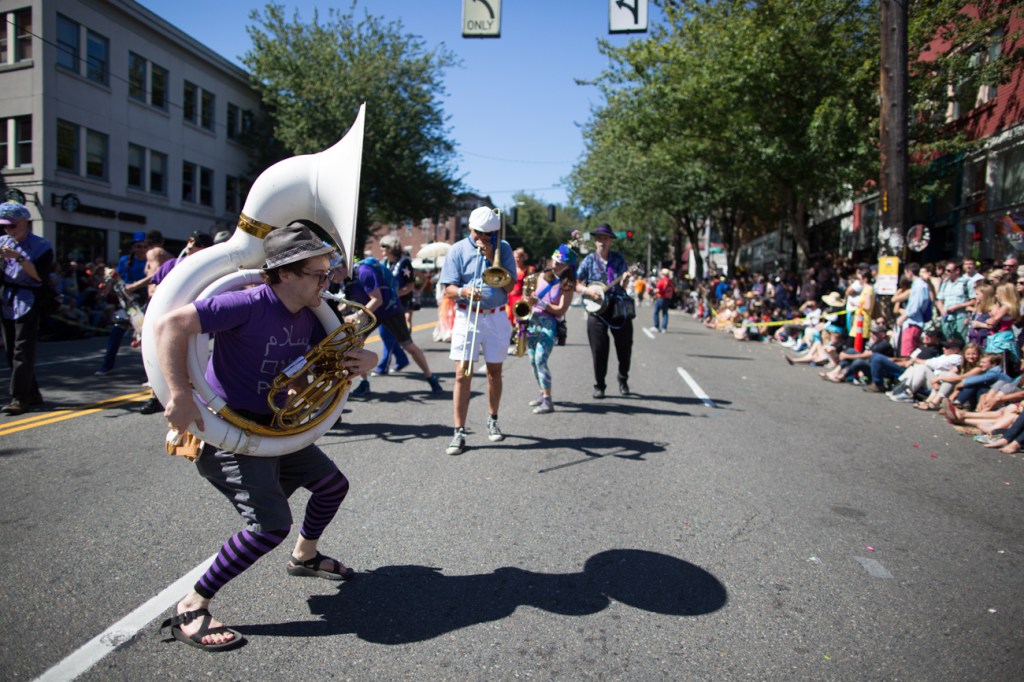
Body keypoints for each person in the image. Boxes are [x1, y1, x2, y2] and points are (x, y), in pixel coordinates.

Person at [154, 223, 377, 651]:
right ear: (286, 273)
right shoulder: (247, 303)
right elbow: (171, 325)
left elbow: (327, 361)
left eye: (328, 273)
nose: (327, 282)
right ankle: (192, 604)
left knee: (332, 486)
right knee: (269, 527)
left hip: (273, 426)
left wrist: (366, 358)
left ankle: (305, 556)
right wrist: (179, 393)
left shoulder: (313, 314)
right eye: (319, 274)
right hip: (228, 431)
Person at [439, 206, 516, 455]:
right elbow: (447, 288)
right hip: (468, 315)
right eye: (479, 233)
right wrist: (464, 291)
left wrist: (493, 256)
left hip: (496, 316)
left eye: (489, 234)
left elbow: (511, 286)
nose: (483, 238)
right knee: (462, 374)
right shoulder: (457, 249)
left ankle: (493, 419)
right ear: (470, 227)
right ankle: (459, 431)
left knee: (495, 372)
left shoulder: (503, 248)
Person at [137, 231, 214, 415]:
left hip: (195, 322)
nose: (190, 247)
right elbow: (156, 288)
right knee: (162, 356)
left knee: (194, 359)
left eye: (196, 245)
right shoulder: (173, 264)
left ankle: (201, 398)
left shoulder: (210, 267)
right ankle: (156, 396)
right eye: (190, 243)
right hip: (169, 320)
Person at [347, 254, 443, 398]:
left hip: (390, 309)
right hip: (372, 312)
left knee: (408, 346)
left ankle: (431, 378)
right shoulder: (345, 278)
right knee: (355, 344)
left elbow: (377, 300)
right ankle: (364, 383)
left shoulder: (364, 271)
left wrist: (356, 315)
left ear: (343, 266)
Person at [0, 201, 54, 415]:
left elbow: (39, 276)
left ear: (25, 223)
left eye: (12, 225)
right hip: (7, 299)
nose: (8, 230)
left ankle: (19, 398)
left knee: (22, 350)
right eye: (4, 226)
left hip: (28, 299)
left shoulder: (42, 245)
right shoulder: (2, 242)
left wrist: (19, 258)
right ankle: (32, 393)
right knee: (10, 349)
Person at [577, 224, 634, 399]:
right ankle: (599, 385)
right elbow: (576, 283)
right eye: (599, 238)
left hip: (617, 307)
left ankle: (623, 378)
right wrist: (587, 291)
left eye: (605, 238)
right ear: (595, 241)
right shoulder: (588, 260)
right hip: (596, 310)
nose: (602, 241)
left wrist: (625, 279)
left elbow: (623, 286)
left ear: (610, 241)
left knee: (624, 347)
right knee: (599, 349)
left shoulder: (618, 259)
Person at [524, 244, 578, 414]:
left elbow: (561, 310)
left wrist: (539, 303)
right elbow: (530, 297)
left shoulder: (567, 284)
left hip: (549, 324)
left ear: (567, 266)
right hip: (533, 321)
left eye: (560, 263)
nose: (555, 264)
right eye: (554, 260)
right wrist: (527, 300)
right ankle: (542, 393)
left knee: (540, 359)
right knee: (532, 360)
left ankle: (548, 401)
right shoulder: (541, 276)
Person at [95, 231, 150, 375]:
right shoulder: (125, 260)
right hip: (128, 303)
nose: (141, 249)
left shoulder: (151, 261)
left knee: (146, 338)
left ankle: (151, 372)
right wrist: (107, 286)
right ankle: (107, 366)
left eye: (145, 246)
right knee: (116, 331)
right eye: (138, 246)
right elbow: (116, 278)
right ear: (133, 247)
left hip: (145, 303)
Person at [370, 235, 411, 377]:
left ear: (391, 248)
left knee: (387, 334)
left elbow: (410, 285)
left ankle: (383, 367)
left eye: (384, 246)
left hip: (398, 305)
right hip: (385, 305)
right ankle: (402, 359)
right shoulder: (384, 263)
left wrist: (393, 294)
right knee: (387, 334)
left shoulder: (404, 262)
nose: (381, 248)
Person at [652, 268, 675, 333]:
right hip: (668, 299)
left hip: (661, 297)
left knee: (656, 312)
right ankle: (664, 328)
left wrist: (653, 290)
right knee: (665, 313)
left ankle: (656, 326)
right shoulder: (670, 282)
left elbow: (658, 290)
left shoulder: (662, 281)